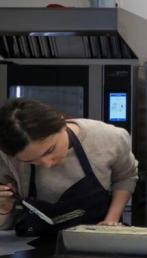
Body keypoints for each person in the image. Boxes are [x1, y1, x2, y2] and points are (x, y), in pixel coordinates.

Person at [0, 99, 138, 236]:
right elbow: (4, 223)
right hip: (34, 243)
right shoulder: (7, 159)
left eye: (50, 150)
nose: (48, 163)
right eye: (31, 160)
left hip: (97, 239)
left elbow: (125, 177)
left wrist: (110, 222)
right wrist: (4, 207)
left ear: (61, 124)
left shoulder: (108, 138)